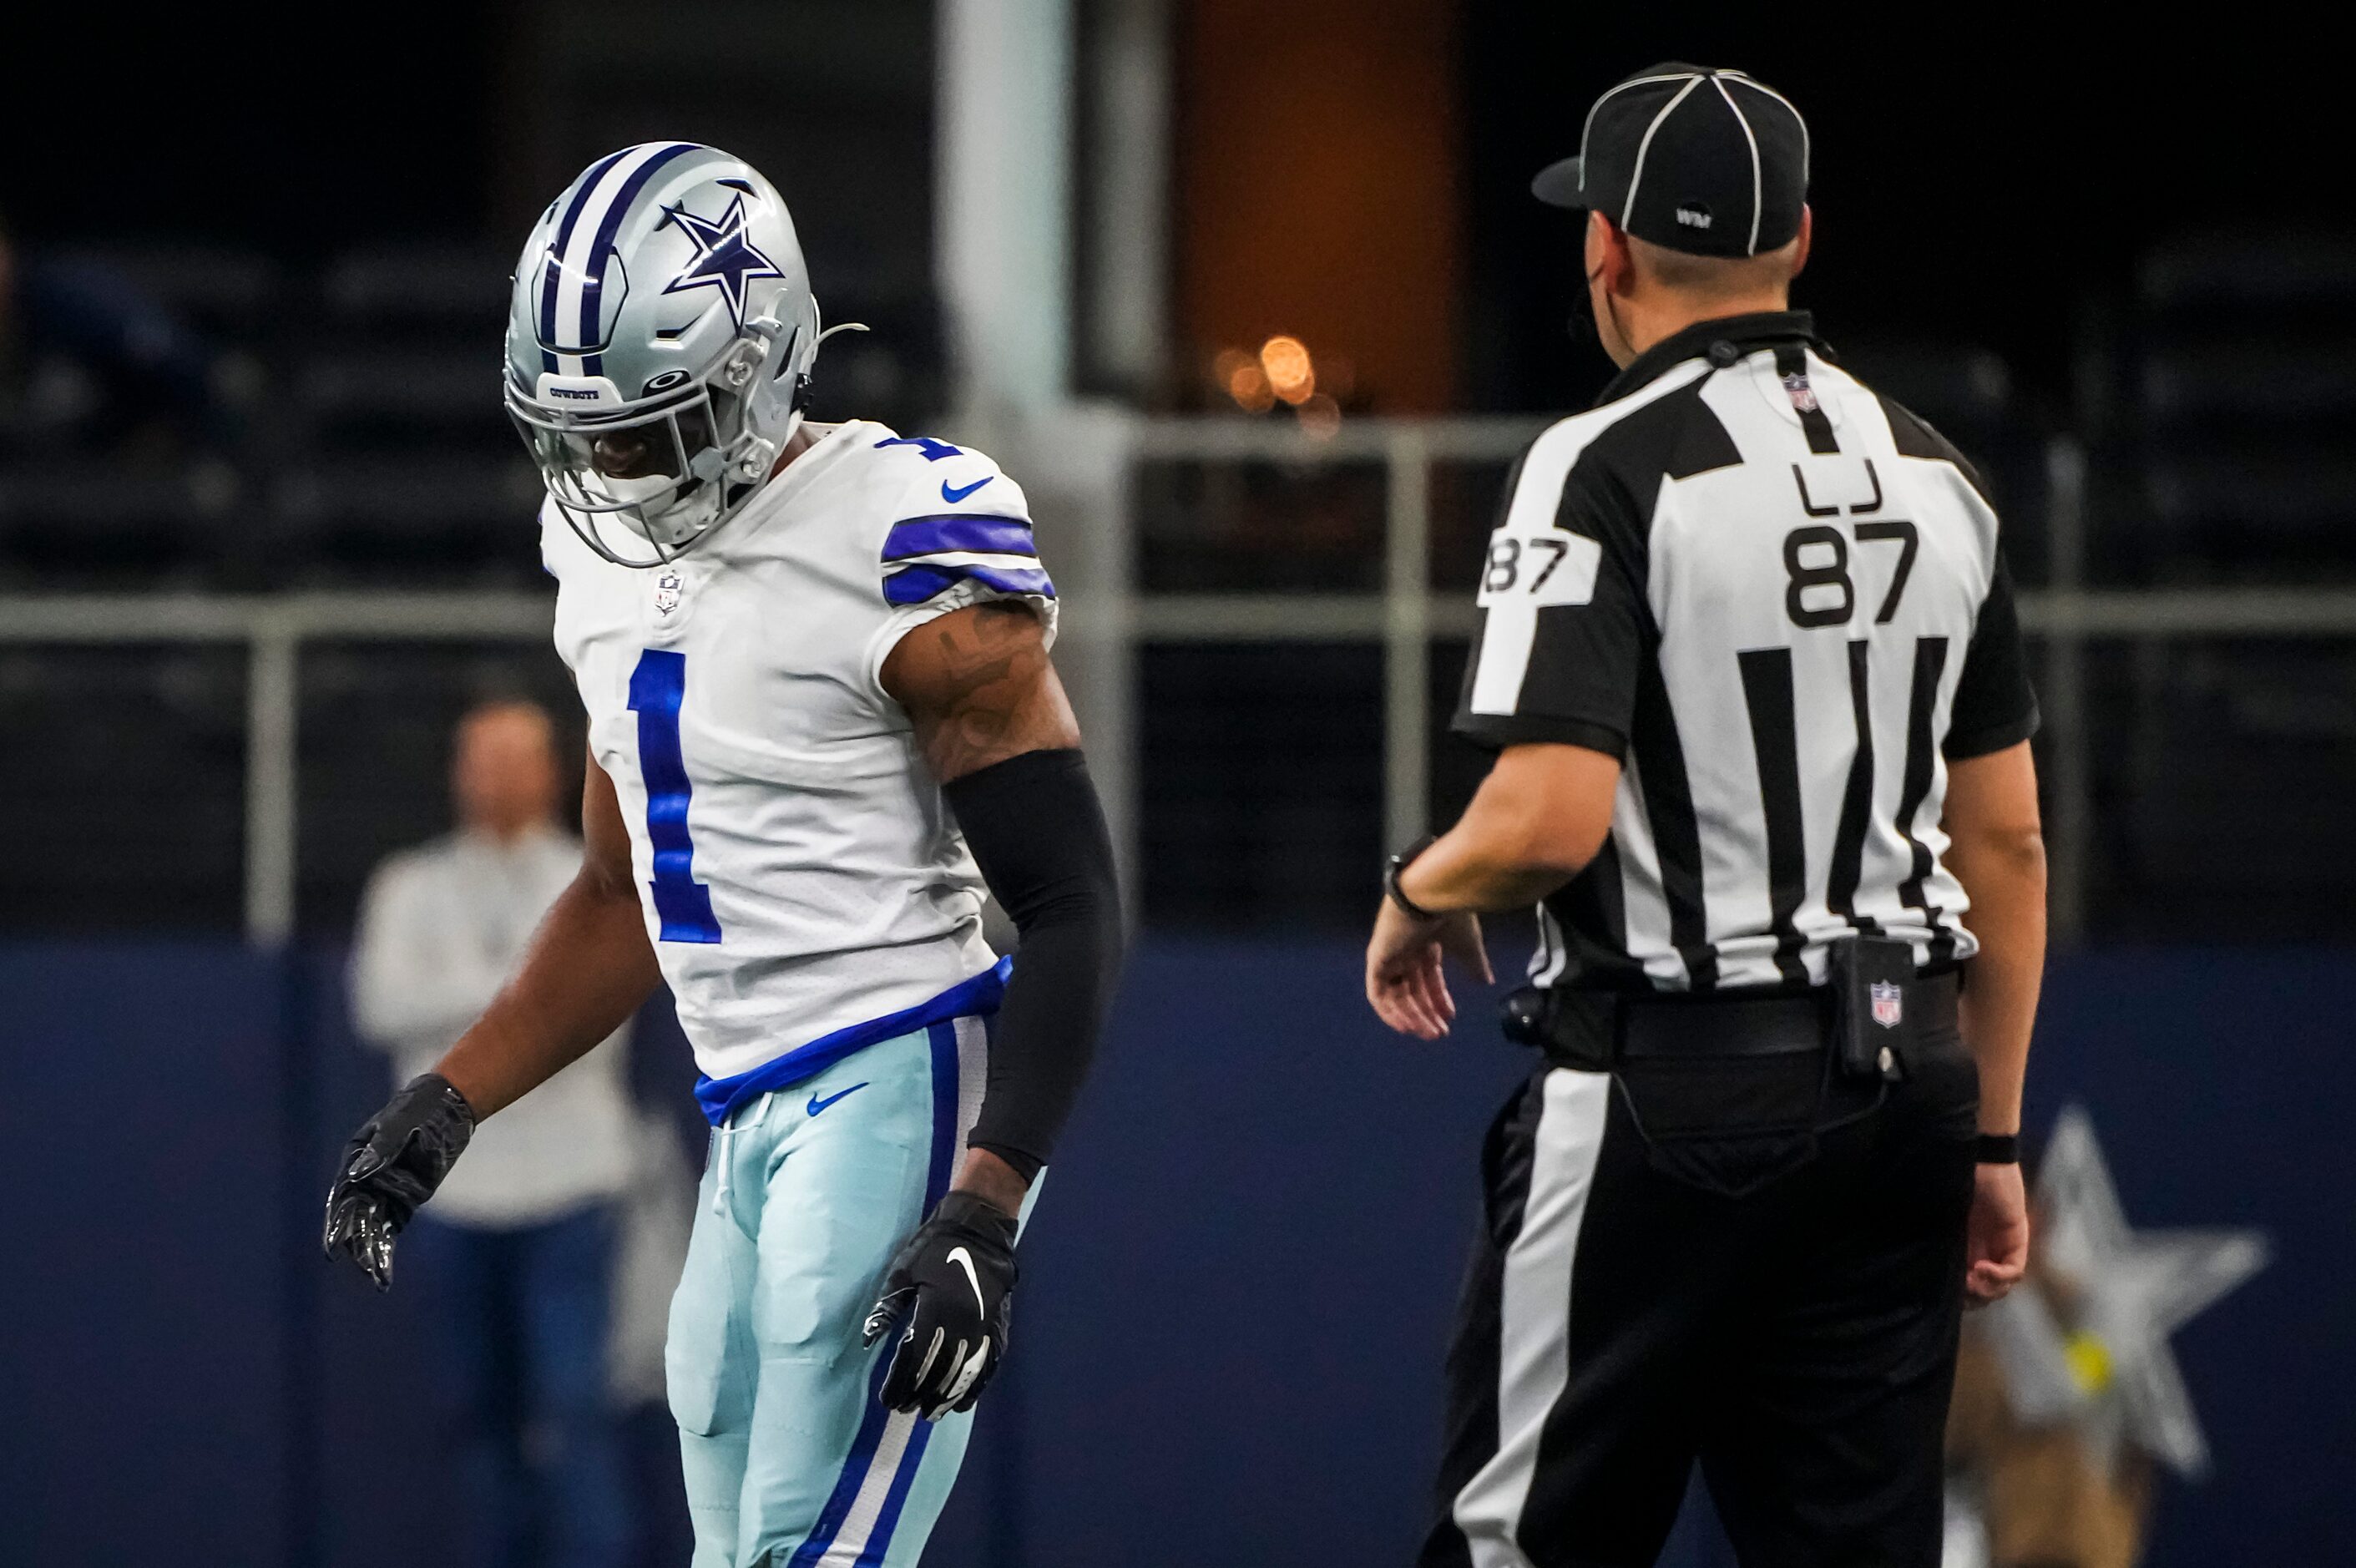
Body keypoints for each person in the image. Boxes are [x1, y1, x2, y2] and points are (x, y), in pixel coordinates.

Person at [322, 143, 1125, 1568]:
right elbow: (623, 893)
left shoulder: (898, 537)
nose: (603, 470)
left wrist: (989, 1201)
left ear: (758, 371)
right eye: (575, 432)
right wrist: (449, 1099)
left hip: (900, 1058)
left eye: (641, 427)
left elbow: (1068, 903)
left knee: (812, 1548)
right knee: (731, 1533)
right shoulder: (592, 557)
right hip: (741, 1107)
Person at [1364, 65, 2045, 1568]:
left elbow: (1544, 816)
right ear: (1797, 238)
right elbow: (2004, 844)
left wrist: (1419, 885)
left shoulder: (1598, 462)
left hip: (1673, 1088)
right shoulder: (1943, 477)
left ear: (1602, 249)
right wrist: (1991, 1129)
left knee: (1515, 1543)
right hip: (1904, 1082)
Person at [350, 698, 638, 1568]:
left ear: (551, 771)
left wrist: (470, 1013)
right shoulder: (410, 884)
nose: (494, 778)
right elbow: (381, 1005)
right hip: (450, 1192)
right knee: (472, 1413)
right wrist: (519, 1001)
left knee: (573, 1408)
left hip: (571, 1185)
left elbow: (596, 1022)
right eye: (478, 759)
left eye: (514, 759)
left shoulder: (595, 876)